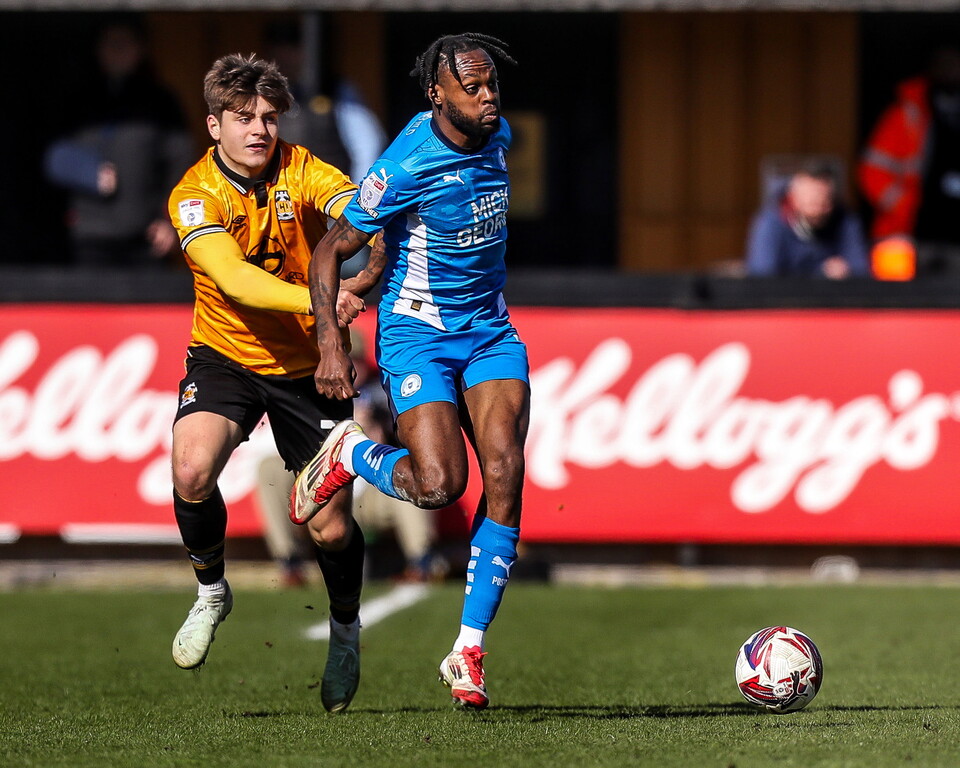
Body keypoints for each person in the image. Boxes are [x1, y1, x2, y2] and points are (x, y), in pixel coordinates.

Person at [290, 33, 528, 712]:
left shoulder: (498, 135)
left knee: (505, 469)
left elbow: (407, 232)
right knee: (439, 484)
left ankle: (469, 647)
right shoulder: (405, 163)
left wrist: (385, 259)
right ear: (438, 94)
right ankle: (351, 453)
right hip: (418, 334)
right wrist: (334, 346)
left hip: (489, 329)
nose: (488, 100)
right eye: (473, 89)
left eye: (492, 87)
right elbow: (329, 254)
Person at [166, 52, 382, 715]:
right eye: (243, 117)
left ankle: (344, 635)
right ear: (213, 125)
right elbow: (232, 281)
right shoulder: (194, 195)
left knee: (330, 528)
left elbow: (358, 216)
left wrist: (366, 255)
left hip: (305, 369)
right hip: (225, 357)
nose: (260, 128)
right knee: (191, 469)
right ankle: (211, 592)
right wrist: (325, 301)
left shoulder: (305, 168)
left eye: (268, 116)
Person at [254, 328, 444, 587]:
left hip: (373, 493)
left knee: (409, 472)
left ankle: (422, 562)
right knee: (269, 468)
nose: (348, 367)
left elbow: (413, 441)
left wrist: (379, 433)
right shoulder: (311, 392)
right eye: (344, 358)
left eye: (354, 360)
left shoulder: (385, 392)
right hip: (323, 489)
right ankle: (290, 562)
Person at [43, 19, 194, 266]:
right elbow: (54, 157)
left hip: (146, 238)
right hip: (90, 237)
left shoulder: (161, 102)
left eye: (125, 44)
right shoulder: (78, 100)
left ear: (140, 49)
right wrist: (88, 173)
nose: (118, 51)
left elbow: (182, 164)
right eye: (111, 44)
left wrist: (170, 220)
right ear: (98, 50)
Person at [859, 46, 960, 259]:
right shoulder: (907, 113)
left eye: (955, 66)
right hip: (908, 231)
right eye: (945, 66)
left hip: (954, 233)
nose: (951, 72)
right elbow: (872, 171)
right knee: (897, 290)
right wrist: (903, 204)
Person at [745, 163, 871, 279]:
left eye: (824, 203)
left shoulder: (846, 220)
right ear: (793, 198)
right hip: (784, 301)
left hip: (832, 299)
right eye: (811, 202)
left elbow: (860, 269)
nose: (817, 210)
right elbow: (762, 275)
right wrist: (820, 273)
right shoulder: (771, 222)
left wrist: (844, 271)